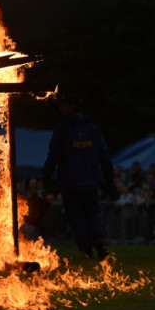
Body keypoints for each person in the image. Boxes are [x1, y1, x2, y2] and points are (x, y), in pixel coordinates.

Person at [42, 93, 114, 261]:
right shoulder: (93, 129)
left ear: (71, 106)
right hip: (91, 181)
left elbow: (54, 155)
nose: (60, 108)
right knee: (93, 212)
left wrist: (47, 176)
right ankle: (99, 241)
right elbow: (104, 155)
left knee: (77, 217)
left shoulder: (63, 129)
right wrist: (108, 178)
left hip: (71, 182)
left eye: (63, 105)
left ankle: (86, 249)